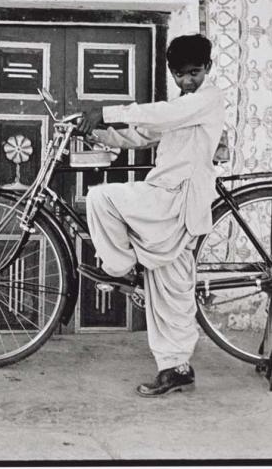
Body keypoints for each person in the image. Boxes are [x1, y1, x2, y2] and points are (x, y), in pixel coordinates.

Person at [76, 33, 226, 397]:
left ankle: (121, 267)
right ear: (171, 73)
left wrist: (106, 111)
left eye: (194, 72)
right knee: (169, 288)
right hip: (165, 197)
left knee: (102, 198)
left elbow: (162, 114)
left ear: (207, 68)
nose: (187, 81)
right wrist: (99, 133)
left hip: (178, 200)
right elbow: (142, 135)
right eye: (179, 74)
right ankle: (176, 369)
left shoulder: (207, 99)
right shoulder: (185, 103)